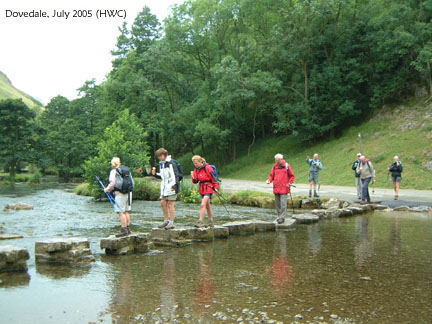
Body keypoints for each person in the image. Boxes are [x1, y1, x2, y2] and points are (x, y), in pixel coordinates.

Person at [104, 157, 134, 237]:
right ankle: (128, 229)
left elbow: (113, 183)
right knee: (126, 211)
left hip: (120, 193)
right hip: (129, 192)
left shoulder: (114, 171)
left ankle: (123, 230)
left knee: (121, 212)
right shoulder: (126, 170)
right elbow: (132, 182)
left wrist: (107, 189)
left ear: (113, 164)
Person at [266, 153, 295, 224]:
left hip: (284, 188)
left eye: (278, 160)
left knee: (283, 204)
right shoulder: (274, 167)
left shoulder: (287, 166)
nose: (277, 162)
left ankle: (282, 217)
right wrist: (269, 180)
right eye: (276, 161)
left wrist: (290, 182)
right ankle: (279, 216)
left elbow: (292, 176)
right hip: (276, 188)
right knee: (277, 204)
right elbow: (271, 175)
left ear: (282, 159)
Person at [152, 148, 177, 230]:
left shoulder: (171, 163)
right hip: (164, 188)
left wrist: (174, 186)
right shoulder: (161, 164)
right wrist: (155, 174)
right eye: (158, 156)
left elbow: (174, 175)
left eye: (160, 156)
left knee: (170, 204)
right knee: (163, 203)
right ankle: (166, 220)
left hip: (172, 187)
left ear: (164, 155)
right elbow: (163, 177)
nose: (159, 157)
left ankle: (171, 222)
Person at [191, 155, 218, 228]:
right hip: (202, 189)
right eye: (194, 164)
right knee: (207, 205)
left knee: (203, 204)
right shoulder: (196, 170)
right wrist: (193, 178)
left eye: (196, 163)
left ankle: (200, 221)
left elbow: (214, 179)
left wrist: (216, 188)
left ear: (200, 162)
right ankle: (211, 221)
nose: (195, 165)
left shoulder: (208, 168)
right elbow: (196, 181)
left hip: (209, 188)